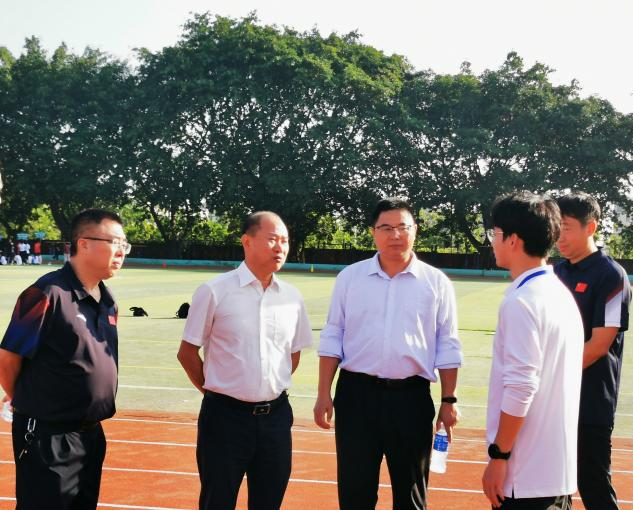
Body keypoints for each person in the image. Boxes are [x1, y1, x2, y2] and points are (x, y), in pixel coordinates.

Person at [314, 197, 462, 510]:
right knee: (355, 493)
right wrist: (323, 392)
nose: (395, 235)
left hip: (411, 399)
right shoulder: (350, 278)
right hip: (356, 396)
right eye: (386, 228)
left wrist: (449, 400)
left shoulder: (436, 283)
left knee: (411, 496)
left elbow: (448, 343)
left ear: (415, 230)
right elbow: (333, 334)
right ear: (373, 232)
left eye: (402, 227)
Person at [177, 211, 313, 510]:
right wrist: (217, 391)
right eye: (273, 239)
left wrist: (265, 386)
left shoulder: (292, 297)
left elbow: (293, 353)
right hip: (225, 419)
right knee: (217, 500)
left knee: (269, 501)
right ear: (247, 241)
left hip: (276, 418)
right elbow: (187, 353)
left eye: (285, 241)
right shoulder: (215, 291)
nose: (280, 247)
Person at [0, 208, 130, 510]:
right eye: (115, 242)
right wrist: (23, 400)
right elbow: (8, 357)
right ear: (83, 244)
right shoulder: (46, 293)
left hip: (91, 434)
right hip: (49, 437)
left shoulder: (107, 300)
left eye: (125, 245)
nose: (122, 251)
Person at [482, 192, 584, 509]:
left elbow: (521, 386)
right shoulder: (559, 293)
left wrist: (499, 455)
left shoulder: (522, 301)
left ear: (513, 240)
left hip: (525, 477)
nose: (492, 241)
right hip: (553, 472)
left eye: (495, 233)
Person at [554, 192, 631, 510]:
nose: (559, 235)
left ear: (591, 227)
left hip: (591, 402)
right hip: (556, 402)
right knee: (555, 485)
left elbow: (599, 345)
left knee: (593, 484)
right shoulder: (557, 272)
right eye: (556, 227)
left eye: (566, 227)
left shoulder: (611, 275)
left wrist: (553, 376)